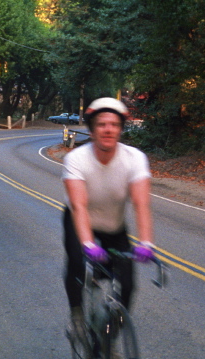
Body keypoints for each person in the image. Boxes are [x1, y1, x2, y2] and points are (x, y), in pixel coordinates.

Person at [62, 97, 156, 339]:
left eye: (114, 124)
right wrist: (88, 245)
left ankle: (109, 339)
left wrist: (146, 243)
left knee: (128, 286)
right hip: (80, 224)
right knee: (77, 265)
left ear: (121, 129)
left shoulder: (135, 158)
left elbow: (141, 203)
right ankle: (77, 317)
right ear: (92, 130)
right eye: (102, 124)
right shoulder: (76, 159)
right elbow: (79, 206)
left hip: (114, 225)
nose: (108, 129)